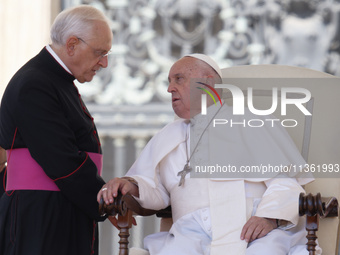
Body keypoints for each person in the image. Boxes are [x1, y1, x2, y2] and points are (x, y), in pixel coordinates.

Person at [98, 54, 317, 255]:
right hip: (190, 234)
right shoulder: (168, 135)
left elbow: (285, 182)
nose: (169, 89)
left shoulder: (252, 122)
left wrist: (268, 218)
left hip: (251, 230)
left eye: (179, 79)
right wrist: (131, 185)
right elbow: (156, 190)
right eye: (169, 81)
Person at [0, 5, 112, 255]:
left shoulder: (54, 79)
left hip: (58, 208)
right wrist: (104, 202)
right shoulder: (35, 83)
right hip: (41, 216)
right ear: (71, 44)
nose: (104, 62)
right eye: (100, 52)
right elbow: (61, 159)